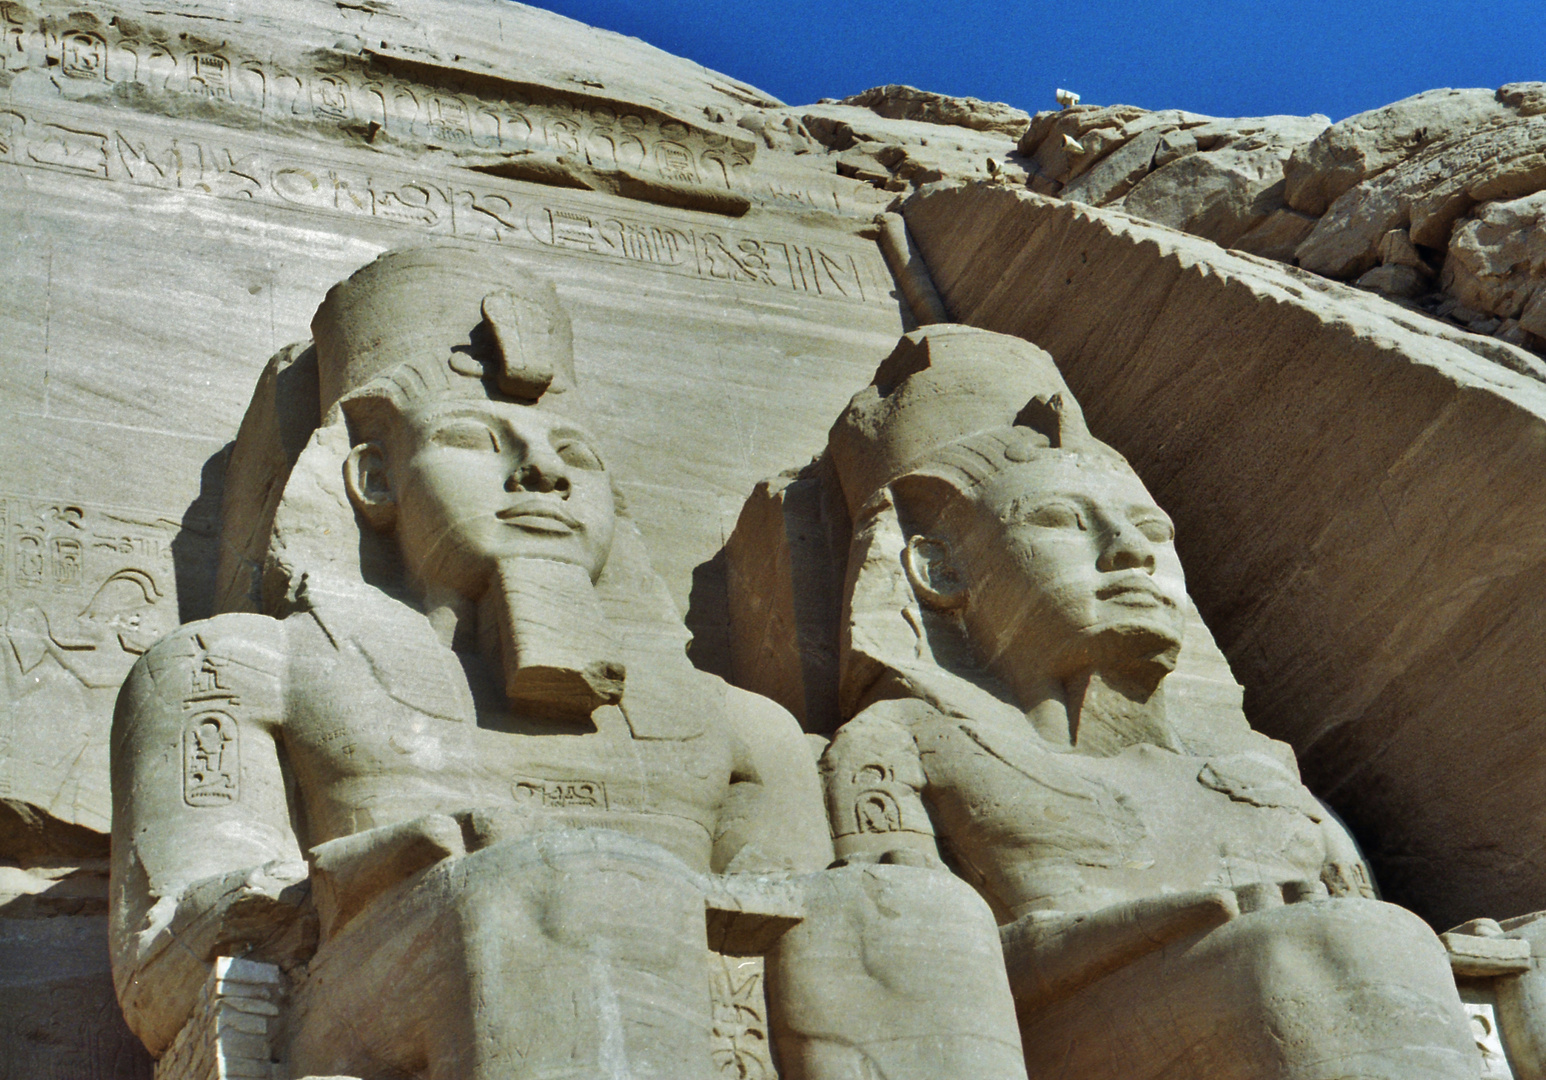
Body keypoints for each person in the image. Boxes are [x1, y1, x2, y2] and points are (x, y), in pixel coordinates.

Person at [108, 248, 1025, 1080]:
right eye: (478, 441)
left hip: (680, 1007)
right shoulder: (238, 665)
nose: (543, 477)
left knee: (918, 922)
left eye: (573, 456)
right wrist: (382, 870)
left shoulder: (739, 725)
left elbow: (807, 911)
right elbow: (161, 961)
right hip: (363, 997)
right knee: (567, 886)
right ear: (375, 481)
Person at [809, 324, 1480, 1079]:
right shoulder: (904, 738)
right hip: (1075, 1031)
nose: (1130, 551)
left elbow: (1376, 935)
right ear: (938, 566)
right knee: (1321, 947)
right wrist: (1178, 921)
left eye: (1151, 530)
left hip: (1315, 1002)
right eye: (1060, 520)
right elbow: (908, 958)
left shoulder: (1262, 776)